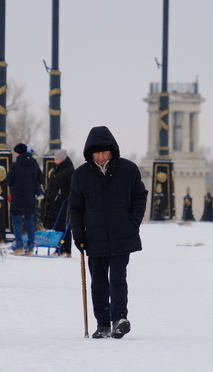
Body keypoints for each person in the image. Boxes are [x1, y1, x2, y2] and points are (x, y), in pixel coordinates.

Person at [69, 126, 148, 339]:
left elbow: (140, 196)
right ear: (90, 153)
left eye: (105, 152)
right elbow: (75, 207)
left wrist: (133, 222)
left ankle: (119, 318)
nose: (102, 156)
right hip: (94, 237)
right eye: (97, 152)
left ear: (112, 151)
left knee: (118, 279)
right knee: (99, 282)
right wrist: (79, 235)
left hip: (122, 234)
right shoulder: (81, 175)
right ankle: (102, 323)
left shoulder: (128, 170)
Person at [6, 143, 44, 255]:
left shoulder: (15, 165)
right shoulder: (34, 164)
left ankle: (19, 247)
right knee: (30, 222)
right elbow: (40, 179)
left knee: (17, 222)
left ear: (18, 152)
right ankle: (31, 248)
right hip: (30, 197)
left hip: (17, 197)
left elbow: (9, 181)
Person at [43, 149, 74, 256]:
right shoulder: (57, 170)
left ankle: (66, 250)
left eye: (57, 159)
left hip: (63, 203)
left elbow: (72, 186)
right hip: (55, 203)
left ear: (62, 159)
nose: (55, 161)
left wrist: (65, 196)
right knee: (56, 227)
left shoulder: (69, 171)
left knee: (64, 226)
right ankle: (58, 248)